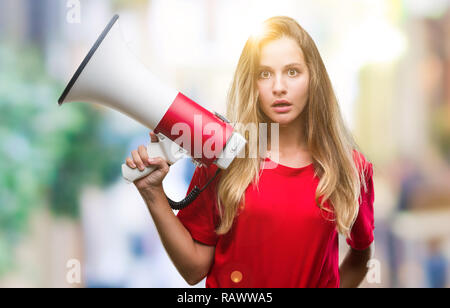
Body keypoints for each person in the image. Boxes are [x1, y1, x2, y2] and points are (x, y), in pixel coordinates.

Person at [125, 16, 375, 288]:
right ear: (252, 84)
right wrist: (153, 193)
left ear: (313, 77)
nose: (279, 87)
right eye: (264, 74)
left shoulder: (350, 168)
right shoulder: (222, 155)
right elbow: (194, 269)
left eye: (292, 72)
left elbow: (361, 253)